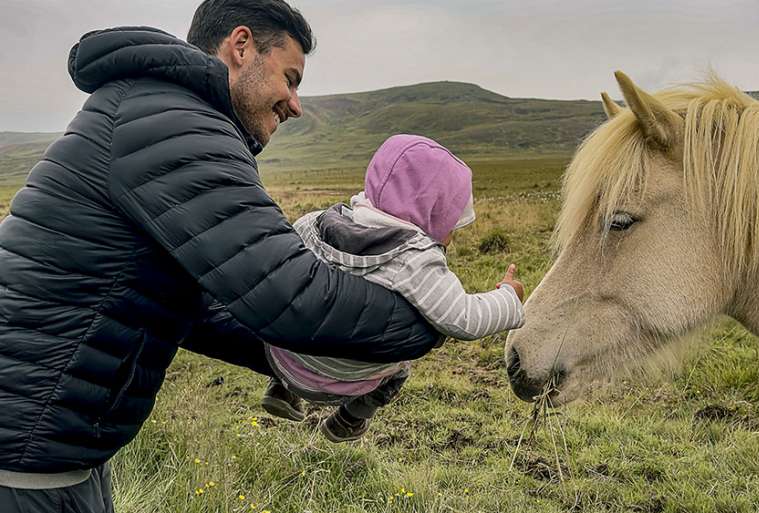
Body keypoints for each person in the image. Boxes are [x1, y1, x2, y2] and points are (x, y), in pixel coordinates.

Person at [0, 1, 441, 511]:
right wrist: (428, 314)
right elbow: (291, 292)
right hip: (23, 461)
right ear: (241, 45)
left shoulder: (162, 113)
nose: (295, 105)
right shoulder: (173, 124)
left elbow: (202, 312)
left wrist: (305, 362)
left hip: (55, 452)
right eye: (290, 78)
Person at [260, 134, 525, 442]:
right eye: (450, 220)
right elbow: (462, 318)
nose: (452, 233)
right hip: (344, 381)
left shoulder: (314, 222)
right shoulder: (413, 259)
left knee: (294, 301)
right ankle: (349, 420)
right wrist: (509, 297)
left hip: (285, 359)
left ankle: (280, 388)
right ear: (432, 211)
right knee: (400, 366)